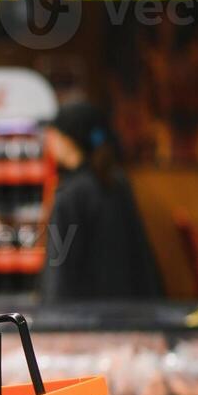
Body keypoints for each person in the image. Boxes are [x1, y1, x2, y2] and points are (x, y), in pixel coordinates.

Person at [40, 99, 163, 302]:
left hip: (85, 320)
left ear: (68, 139)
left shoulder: (69, 195)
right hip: (129, 311)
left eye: (53, 134)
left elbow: (58, 270)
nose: (49, 141)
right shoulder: (117, 182)